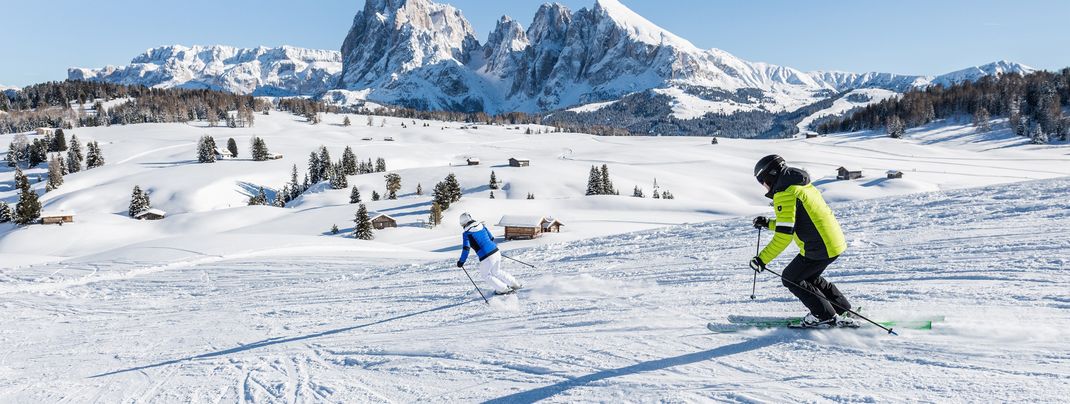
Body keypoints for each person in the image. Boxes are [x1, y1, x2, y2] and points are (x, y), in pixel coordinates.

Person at [749, 155, 857, 328]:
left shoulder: (784, 193)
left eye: (763, 181)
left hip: (819, 246)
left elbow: (784, 235)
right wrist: (768, 223)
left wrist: (762, 260)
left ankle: (824, 316)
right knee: (810, 277)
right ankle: (842, 309)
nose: (764, 186)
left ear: (770, 175)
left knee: (790, 277)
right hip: (833, 241)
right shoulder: (799, 185)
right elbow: (793, 223)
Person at [457, 212, 522, 295]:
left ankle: (503, 289)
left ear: (464, 223)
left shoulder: (467, 234)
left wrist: (461, 261)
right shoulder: (482, 226)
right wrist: (491, 251)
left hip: (486, 256)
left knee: (485, 275)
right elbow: (491, 238)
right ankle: (515, 284)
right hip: (495, 250)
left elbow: (466, 249)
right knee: (496, 271)